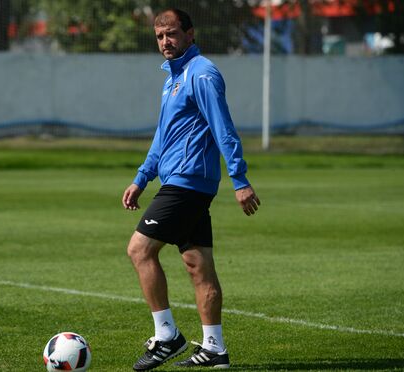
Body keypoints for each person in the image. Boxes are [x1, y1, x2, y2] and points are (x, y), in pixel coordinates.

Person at [122, 8, 260, 371]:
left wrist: (240, 179)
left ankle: (167, 335)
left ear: (189, 34)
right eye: (159, 37)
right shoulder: (173, 79)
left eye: (171, 34)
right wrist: (142, 176)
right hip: (180, 182)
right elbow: (164, 136)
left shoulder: (202, 74)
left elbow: (223, 127)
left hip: (188, 182)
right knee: (198, 266)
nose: (165, 42)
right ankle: (215, 347)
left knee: (139, 250)